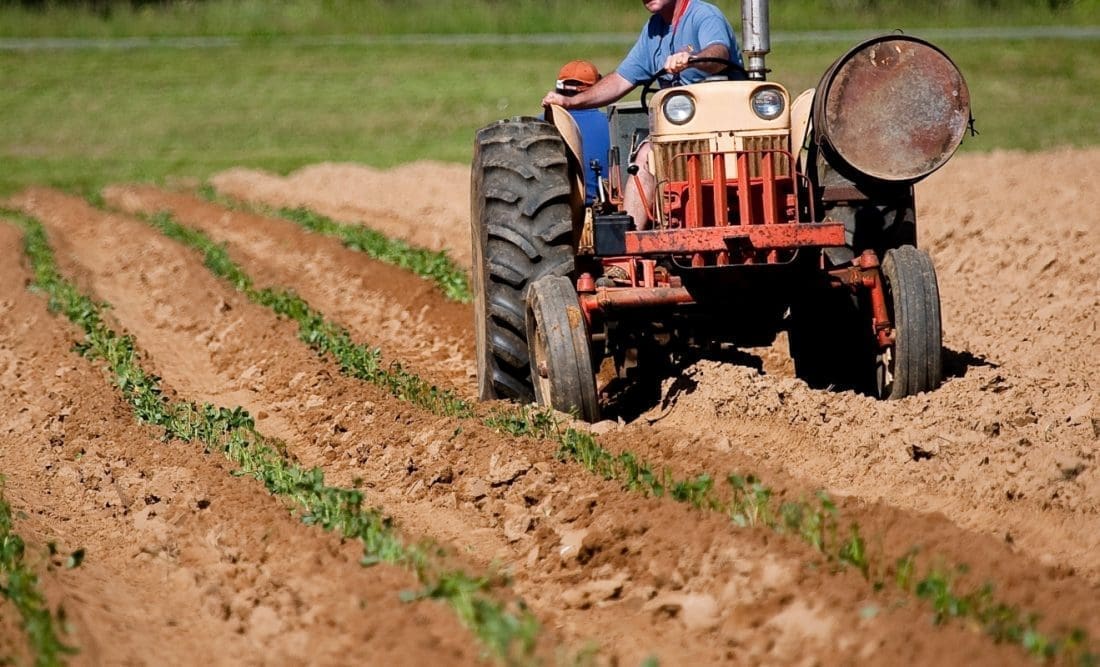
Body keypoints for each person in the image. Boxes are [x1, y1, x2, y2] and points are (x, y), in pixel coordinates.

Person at [541, 0, 742, 229]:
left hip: (725, 128)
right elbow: (620, 81)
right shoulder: (654, 29)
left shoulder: (703, 15)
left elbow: (719, 52)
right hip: (678, 133)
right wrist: (571, 101)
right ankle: (628, 247)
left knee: (650, 153)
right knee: (646, 158)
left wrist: (692, 59)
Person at [546, 60, 612, 207]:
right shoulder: (613, 124)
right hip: (604, 209)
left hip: (554, 210)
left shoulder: (541, 125)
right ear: (598, 90)